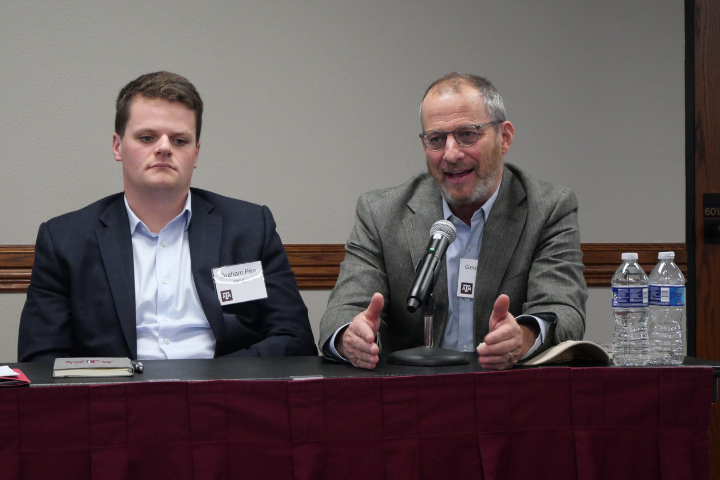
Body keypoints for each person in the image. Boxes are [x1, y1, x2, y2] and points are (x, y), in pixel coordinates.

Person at [18, 71, 317, 362]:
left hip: (224, 400)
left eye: (179, 140)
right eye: (147, 137)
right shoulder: (65, 240)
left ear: (196, 153)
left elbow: (294, 338)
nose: (163, 148)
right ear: (117, 146)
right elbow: (41, 357)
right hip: (116, 403)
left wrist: (215, 380)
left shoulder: (250, 228)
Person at [318, 72, 587, 370]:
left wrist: (522, 337)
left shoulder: (548, 208)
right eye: (436, 139)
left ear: (505, 137)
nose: (451, 154)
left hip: (505, 390)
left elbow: (563, 309)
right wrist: (351, 338)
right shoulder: (381, 212)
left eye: (467, 134)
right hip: (412, 393)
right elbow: (343, 311)